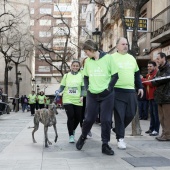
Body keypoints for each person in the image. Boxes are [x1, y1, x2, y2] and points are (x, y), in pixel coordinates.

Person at [76, 39, 118, 155]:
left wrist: (108, 89)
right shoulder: (88, 62)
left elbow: (115, 76)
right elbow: (85, 77)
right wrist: (87, 87)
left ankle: (105, 145)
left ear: (92, 49)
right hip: (92, 95)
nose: (86, 54)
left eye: (86, 52)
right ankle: (83, 137)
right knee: (89, 119)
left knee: (106, 120)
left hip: (107, 95)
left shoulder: (108, 58)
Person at [111, 37, 143, 150]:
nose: (126, 46)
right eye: (123, 44)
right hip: (117, 90)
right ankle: (120, 139)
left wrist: (140, 87)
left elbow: (136, 74)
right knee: (119, 115)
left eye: (127, 44)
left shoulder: (132, 58)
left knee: (131, 113)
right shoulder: (111, 58)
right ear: (117, 46)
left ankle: (118, 129)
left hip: (130, 90)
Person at [55, 60, 85, 143]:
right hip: (67, 99)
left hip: (78, 99)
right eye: (74, 65)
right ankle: (71, 135)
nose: (75, 67)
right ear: (71, 66)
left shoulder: (81, 75)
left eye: (77, 66)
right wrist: (58, 91)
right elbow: (62, 86)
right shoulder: (66, 76)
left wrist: (82, 95)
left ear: (79, 67)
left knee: (78, 118)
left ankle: (73, 129)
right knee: (71, 116)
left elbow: (83, 88)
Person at [151, 52, 170, 141]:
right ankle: (164, 133)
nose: (157, 61)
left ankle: (168, 135)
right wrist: (155, 80)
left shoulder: (168, 68)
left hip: (167, 97)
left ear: (163, 58)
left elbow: (160, 80)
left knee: (167, 117)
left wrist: (155, 80)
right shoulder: (160, 70)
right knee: (161, 117)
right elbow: (154, 80)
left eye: (158, 59)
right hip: (160, 97)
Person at [142, 61, 160, 136]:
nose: (149, 68)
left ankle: (156, 130)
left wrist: (143, 79)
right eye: (148, 66)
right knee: (152, 114)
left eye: (150, 66)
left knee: (156, 114)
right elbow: (146, 85)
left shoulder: (156, 74)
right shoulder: (148, 75)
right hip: (150, 97)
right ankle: (151, 128)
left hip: (155, 97)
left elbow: (151, 83)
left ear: (155, 67)